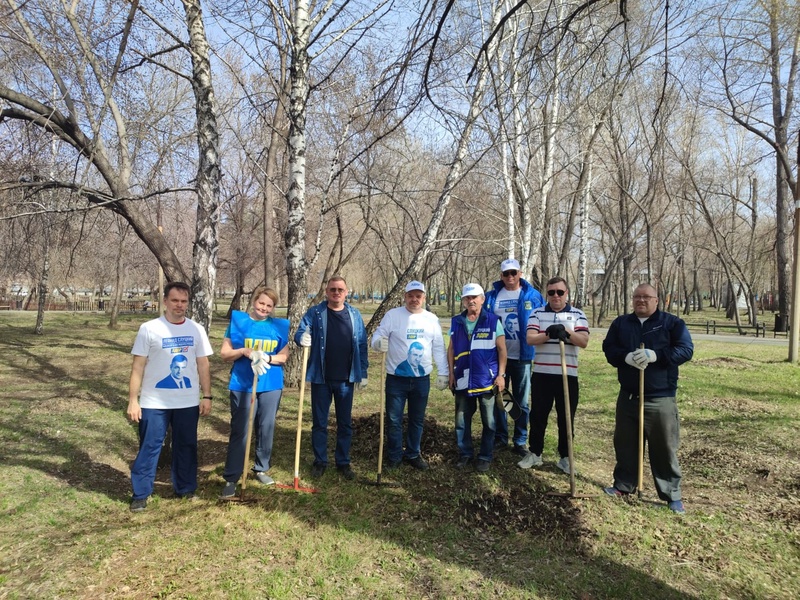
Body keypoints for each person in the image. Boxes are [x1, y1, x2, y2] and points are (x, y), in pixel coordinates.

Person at [602, 283, 694, 514]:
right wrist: (625, 357)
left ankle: (671, 494)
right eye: (636, 297)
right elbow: (608, 348)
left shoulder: (672, 324)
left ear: (657, 300)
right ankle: (623, 485)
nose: (641, 301)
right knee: (625, 444)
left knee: (664, 447)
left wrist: (656, 355)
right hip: (629, 397)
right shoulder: (621, 323)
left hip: (659, 397)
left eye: (646, 297)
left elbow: (685, 350)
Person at [126, 282, 213, 512]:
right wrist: (133, 400)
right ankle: (141, 493)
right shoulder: (149, 328)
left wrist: (207, 395)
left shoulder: (196, 330)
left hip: (187, 401)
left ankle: (185, 488)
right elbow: (138, 367)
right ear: (165, 301)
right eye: (175, 300)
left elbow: (203, 363)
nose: (179, 306)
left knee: (186, 446)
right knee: (150, 446)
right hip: (154, 402)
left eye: (184, 301)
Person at [295, 276, 368, 480]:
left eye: (340, 289)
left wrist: (363, 372)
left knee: (344, 423)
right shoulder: (316, 312)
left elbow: (362, 344)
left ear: (346, 292)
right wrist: (302, 338)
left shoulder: (354, 314)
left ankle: (343, 462)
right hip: (322, 378)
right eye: (333, 289)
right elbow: (301, 330)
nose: (336, 292)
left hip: (346, 379)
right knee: (319, 422)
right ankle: (320, 461)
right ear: (326, 291)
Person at [219, 287, 290, 499]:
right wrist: (243, 351)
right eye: (261, 303)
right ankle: (232, 477)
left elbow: (283, 357)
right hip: (243, 385)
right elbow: (224, 354)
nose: (264, 308)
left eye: (269, 305)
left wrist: (268, 358)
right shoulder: (239, 323)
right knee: (241, 429)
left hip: (270, 384)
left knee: (266, 427)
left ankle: (260, 468)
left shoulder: (279, 326)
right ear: (253, 302)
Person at [371, 280, 449, 470]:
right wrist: (377, 343)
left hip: (421, 380)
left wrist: (444, 372)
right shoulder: (393, 316)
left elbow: (438, 347)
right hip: (396, 379)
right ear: (405, 297)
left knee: (417, 419)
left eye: (418, 296)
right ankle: (394, 456)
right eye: (410, 295)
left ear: (423, 298)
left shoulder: (431, 319)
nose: (414, 299)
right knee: (394, 419)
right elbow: (378, 334)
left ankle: (413, 453)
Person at [520, 277, 589, 474]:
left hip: (567, 374)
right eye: (551, 293)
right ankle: (535, 453)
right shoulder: (537, 313)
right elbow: (531, 339)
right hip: (542, 374)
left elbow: (583, 341)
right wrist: (549, 334)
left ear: (567, 293)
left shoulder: (578, 315)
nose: (556, 296)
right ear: (546, 294)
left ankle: (565, 457)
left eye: (560, 292)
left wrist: (566, 332)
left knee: (566, 417)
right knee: (538, 415)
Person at [484, 258, 545, 456]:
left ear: (520, 273)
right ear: (501, 276)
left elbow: (542, 319)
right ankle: (501, 437)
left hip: (523, 356)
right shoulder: (492, 296)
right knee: (500, 398)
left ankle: (520, 440)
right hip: (497, 357)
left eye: (513, 273)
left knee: (521, 401)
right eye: (506, 274)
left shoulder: (532, 295)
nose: (510, 277)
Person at [448, 283, 507, 473]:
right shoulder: (456, 321)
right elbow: (451, 349)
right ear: (463, 301)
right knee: (461, 420)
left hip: (486, 381)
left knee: (489, 422)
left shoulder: (492, 321)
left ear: (482, 299)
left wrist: (501, 375)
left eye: (475, 297)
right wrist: (450, 373)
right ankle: (465, 453)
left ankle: (485, 456)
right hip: (463, 378)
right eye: (467, 298)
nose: (471, 300)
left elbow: (501, 350)